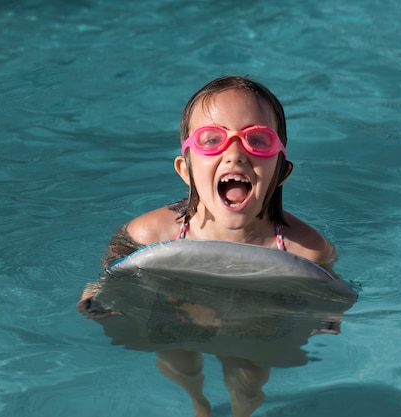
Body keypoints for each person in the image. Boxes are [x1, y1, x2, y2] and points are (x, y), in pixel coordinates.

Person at [78, 75, 340, 417]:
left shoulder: (305, 250)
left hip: (253, 321)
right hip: (174, 310)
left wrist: (327, 317)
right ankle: (197, 402)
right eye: (212, 139)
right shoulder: (149, 232)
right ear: (185, 170)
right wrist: (95, 295)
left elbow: (328, 294)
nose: (235, 155)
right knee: (177, 357)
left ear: (282, 171)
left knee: (248, 380)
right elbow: (112, 269)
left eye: (257, 140)